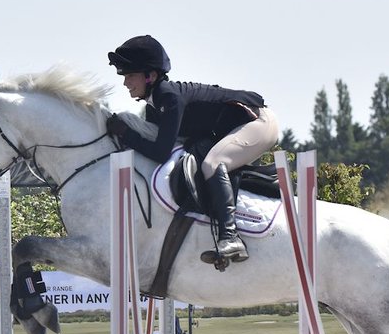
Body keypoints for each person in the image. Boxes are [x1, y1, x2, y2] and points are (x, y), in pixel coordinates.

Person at [104, 34, 279, 265]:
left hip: (257, 122)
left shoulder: (169, 96)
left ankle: (230, 236)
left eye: (130, 75)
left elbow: (160, 152)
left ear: (151, 76)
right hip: (231, 129)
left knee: (213, 164)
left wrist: (126, 134)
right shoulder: (155, 108)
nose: (125, 82)